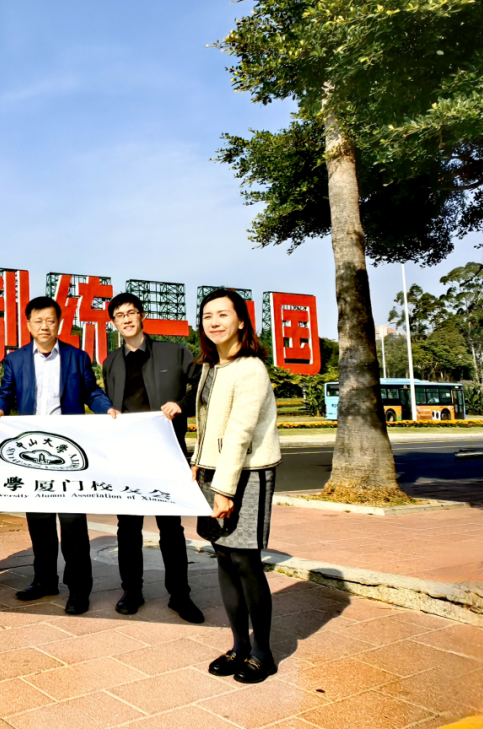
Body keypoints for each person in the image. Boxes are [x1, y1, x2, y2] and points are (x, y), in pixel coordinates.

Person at [0, 296, 118, 615]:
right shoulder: (16, 359)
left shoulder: (76, 357)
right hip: (32, 452)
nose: (44, 326)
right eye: (38, 320)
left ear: (59, 323)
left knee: (73, 524)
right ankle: (44, 580)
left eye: (50, 320)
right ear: (28, 324)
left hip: (67, 452)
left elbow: (91, 392)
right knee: (40, 522)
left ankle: (78, 590)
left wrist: (106, 409)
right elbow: (5, 392)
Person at [191, 289, 282, 684]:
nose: (214, 322)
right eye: (207, 316)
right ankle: (239, 646)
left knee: (245, 561)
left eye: (223, 314)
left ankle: (263, 653)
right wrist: (198, 462)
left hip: (246, 473)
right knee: (224, 559)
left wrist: (225, 490)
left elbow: (240, 432)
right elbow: (210, 424)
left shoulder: (251, 368)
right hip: (214, 471)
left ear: (241, 321)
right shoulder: (213, 366)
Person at [102, 292, 204, 623]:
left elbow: (201, 386)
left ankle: (180, 596)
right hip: (127, 456)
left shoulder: (175, 352)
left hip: (166, 453)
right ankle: (131, 591)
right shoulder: (111, 362)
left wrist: (181, 405)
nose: (126, 319)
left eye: (131, 312)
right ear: (113, 323)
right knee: (127, 528)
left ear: (142, 316)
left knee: (170, 527)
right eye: (120, 315)